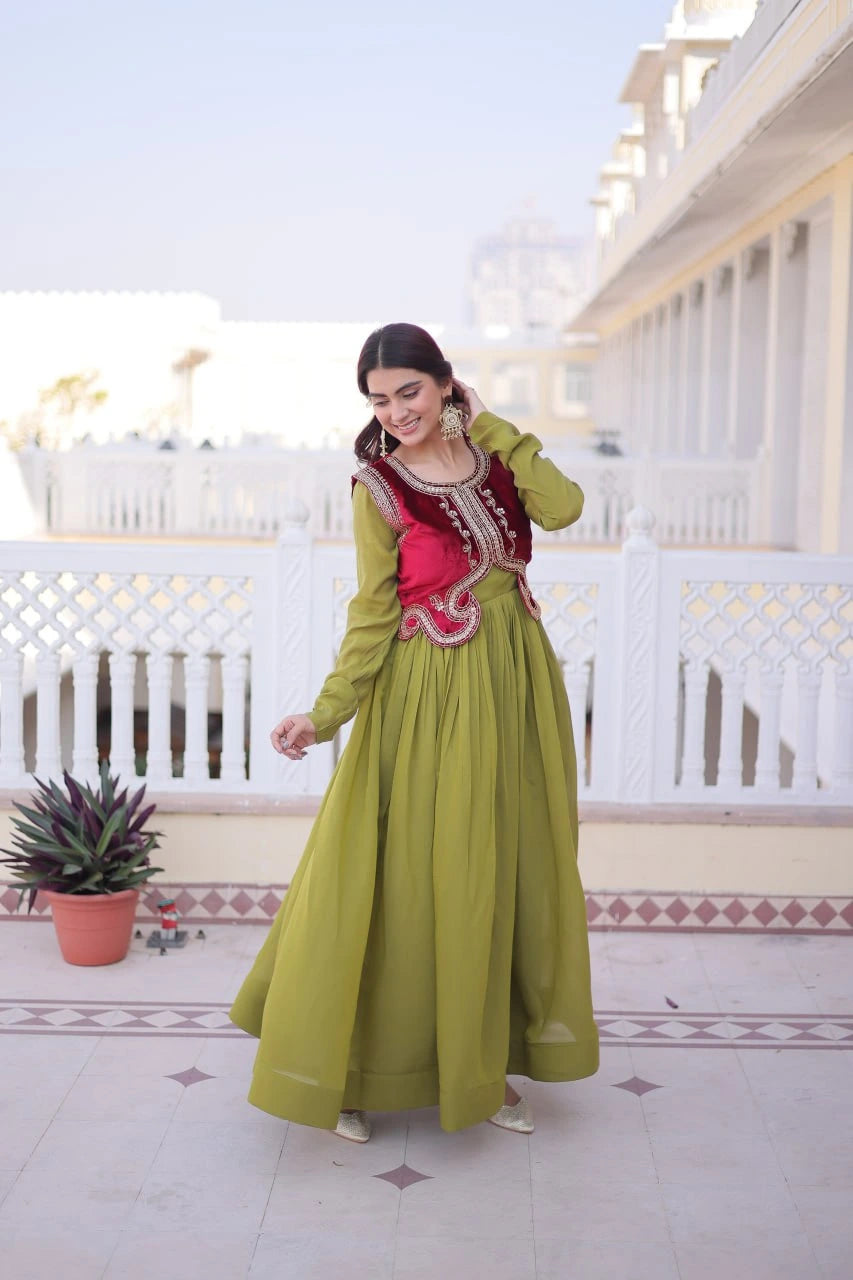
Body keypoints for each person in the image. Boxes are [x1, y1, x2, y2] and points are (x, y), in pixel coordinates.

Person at [229, 323, 599, 1142]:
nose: (396, 411)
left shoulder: (498, 461)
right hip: (427, 694)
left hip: (514, 683)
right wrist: (324, 713)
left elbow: (565, 506)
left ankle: (482, 1064)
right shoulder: (378, 488)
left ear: (444, 386)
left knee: (503, 868)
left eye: (410, 391)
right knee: (401, 878)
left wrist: (489, 422)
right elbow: (372, 611)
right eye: (378, 400)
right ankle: (356, 1071)